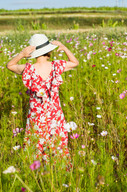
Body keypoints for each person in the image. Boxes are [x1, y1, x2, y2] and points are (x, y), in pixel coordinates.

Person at [6, 34, 79, 170]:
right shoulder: (56, 66)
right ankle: (58, 172)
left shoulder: (28, 69)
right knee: (57, 145)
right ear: (49, 51)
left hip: (36, 116)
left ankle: (36, 173)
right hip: (54, 115)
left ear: (33, 52)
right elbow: (75, 62)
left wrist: (22, 54)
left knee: (35, 145)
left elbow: (10, 65)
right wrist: (64, 48)